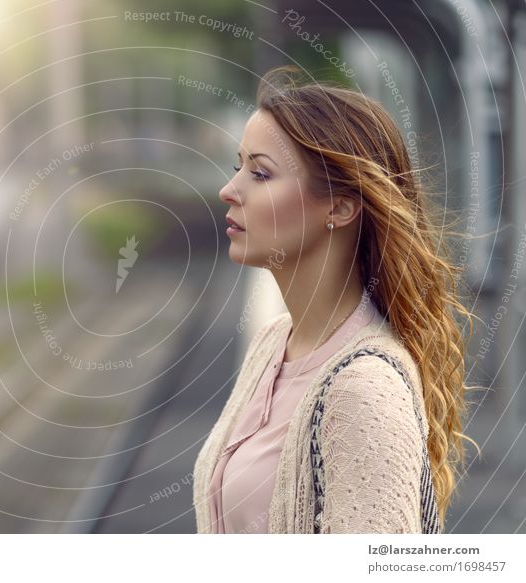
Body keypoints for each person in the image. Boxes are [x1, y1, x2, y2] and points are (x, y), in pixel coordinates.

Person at [192, 66, 481, 534]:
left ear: (340, 207)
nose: (229, 190)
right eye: (237, 167)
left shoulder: (362, 391)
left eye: (260, 173)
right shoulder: (271, 345)